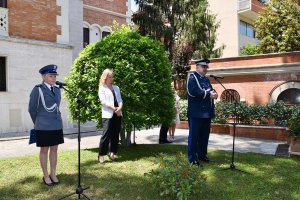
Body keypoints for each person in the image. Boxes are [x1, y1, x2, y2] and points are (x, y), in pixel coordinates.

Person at [28, 64, 64, 186]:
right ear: (43, 77)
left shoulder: (58, 89)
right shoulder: (37, 89)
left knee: (54, 150)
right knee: (44, 150)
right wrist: (38, 122)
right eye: (51, 76)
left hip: (56, 124)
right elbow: (32, 109)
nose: (54, 78)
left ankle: (53, 174)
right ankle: (45, 175)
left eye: (54, 76)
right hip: (43, 125)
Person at [186, 58, 218, 166]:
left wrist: (215, 94)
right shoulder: (192, 78)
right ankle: (192, 159)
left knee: (205, 136)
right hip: (196, 113)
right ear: (197, 66)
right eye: (204, 66)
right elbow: (193, 91)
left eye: (206, 67)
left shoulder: (206, 79)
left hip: (206, 113)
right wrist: (209, 94)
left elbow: (211, 90)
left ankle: (202, 155)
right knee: (194, 137)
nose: (205, 69)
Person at [98, 69, 123, 164]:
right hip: (108, 114)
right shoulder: (102, 87)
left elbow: (120, 100)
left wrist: (119, 108)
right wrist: (114, 109)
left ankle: (112, 152)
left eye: (112, 76)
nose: (112, 78)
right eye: (110, 76)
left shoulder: (116, 87)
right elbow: (103, 101)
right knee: (106, 135)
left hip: (118, 113)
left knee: (115, 134)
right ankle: (101, 155)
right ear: (105, 77)